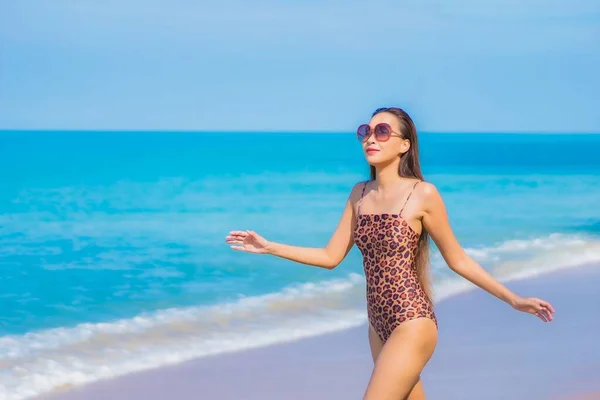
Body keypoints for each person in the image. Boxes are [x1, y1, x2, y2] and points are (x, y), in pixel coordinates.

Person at [225, 106, 555, 400]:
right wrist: (269, 247)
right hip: (377, 324)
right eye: (365, 131)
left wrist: (514, 300)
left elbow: (459, 260)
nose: (371, 137)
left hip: (412, 320)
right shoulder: (360, 194)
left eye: (382, 131)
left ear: (404, 145)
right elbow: (330, 256)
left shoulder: (422, 194)